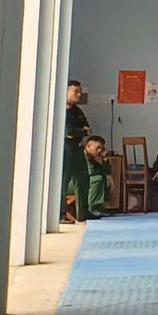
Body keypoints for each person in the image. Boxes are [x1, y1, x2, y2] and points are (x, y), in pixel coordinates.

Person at [62, 80, 91, 222]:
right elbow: (68, 131)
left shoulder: (77, 111)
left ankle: (83, 213)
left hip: (77, 146)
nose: (79, 94)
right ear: (66, 91)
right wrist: (81, 131)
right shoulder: (60, 109)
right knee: (63, 180)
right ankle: (61, 214)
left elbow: (87, 128)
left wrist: (80, 131)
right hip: (65, 146)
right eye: (76, 91)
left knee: (83, 179)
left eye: (80, 92)